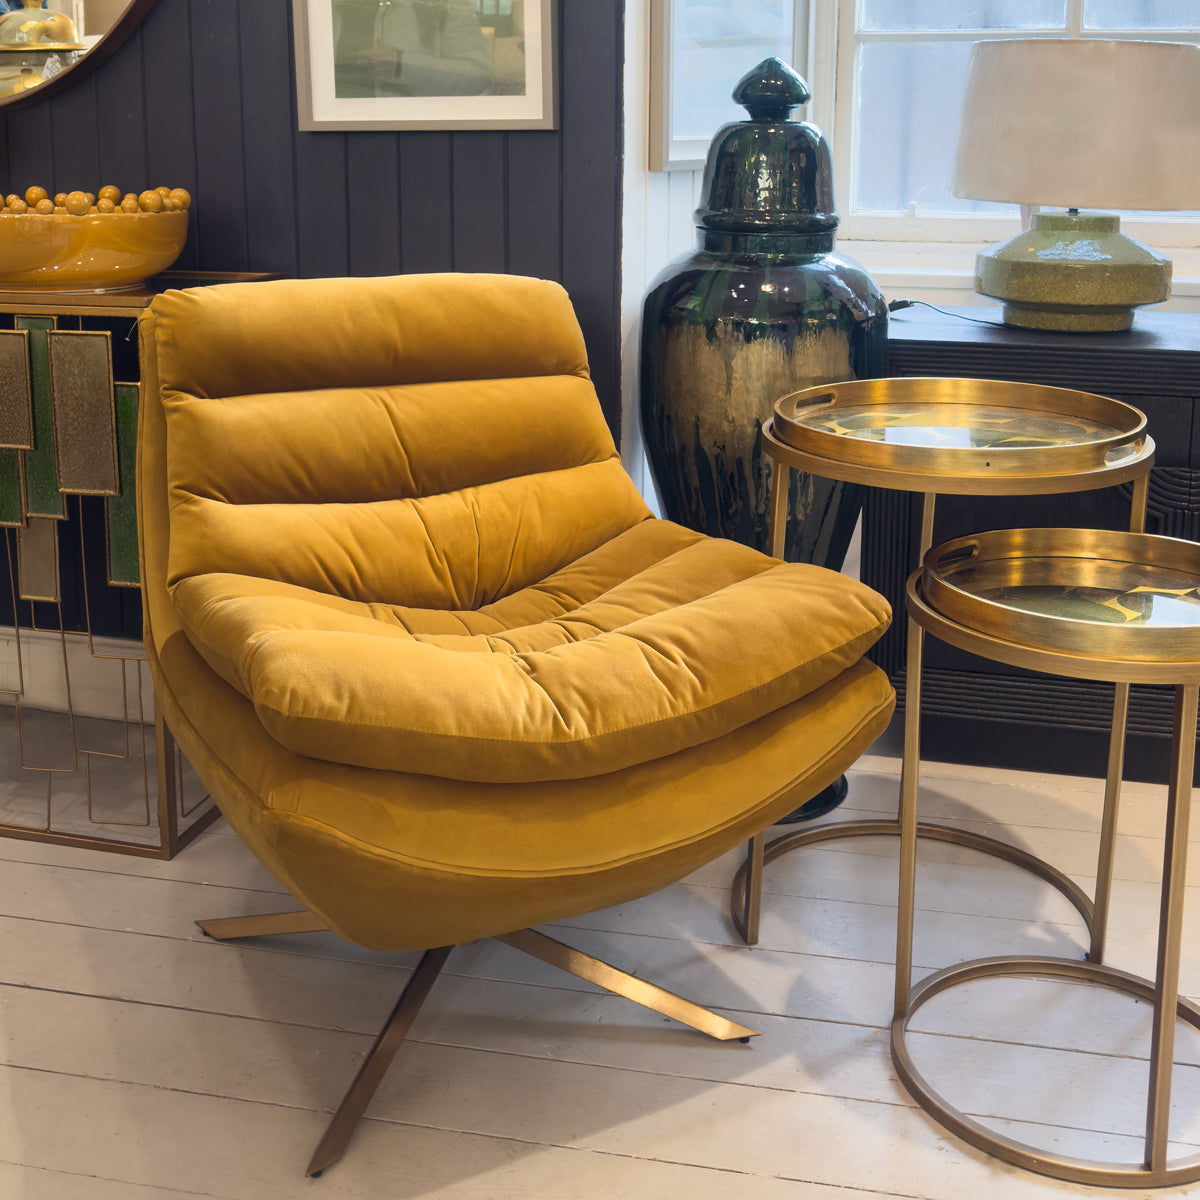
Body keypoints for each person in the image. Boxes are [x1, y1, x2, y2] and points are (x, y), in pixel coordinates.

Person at [333, 0, 492, 98]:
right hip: (345, 135)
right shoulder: (334, 6)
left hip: (419, 137)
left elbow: (476, 77)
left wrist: (403, 66)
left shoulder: (448, 4)